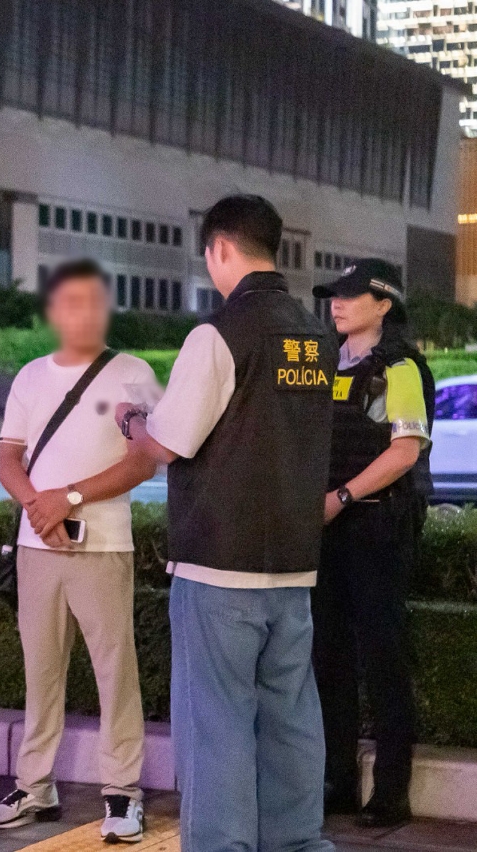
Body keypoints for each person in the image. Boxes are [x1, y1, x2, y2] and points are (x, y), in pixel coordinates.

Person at [117, 195, 337, 852]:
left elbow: (168, 444)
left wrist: (133, 421)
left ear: (218, 249)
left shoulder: (217, 334)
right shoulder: (315, 337)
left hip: (218, 564)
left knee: (215, 724)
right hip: (293, 564)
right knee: (290, 720)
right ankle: (297, 842)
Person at [0, 259, 157, 842]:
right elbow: (7, 455)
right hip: (37, 547)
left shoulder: (132, 374)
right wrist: (39, 505)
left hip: (102, 548)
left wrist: (69, 498)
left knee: (115, 670)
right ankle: (35, 786)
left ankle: (123, 793)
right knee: (41, 671)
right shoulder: (31, 377)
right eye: (70, 303)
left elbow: (143, 459)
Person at [311, 259, 432, 829]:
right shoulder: (322, 362)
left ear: (384, 304)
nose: (336, 303)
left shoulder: (399, 367)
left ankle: (391, 792)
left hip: (377, 528)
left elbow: (404, 452)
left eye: (351, 295)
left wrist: (340, 496)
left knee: (384, 659)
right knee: (329, 657)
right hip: (327, 529)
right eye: (333, 295)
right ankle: (337, 782)